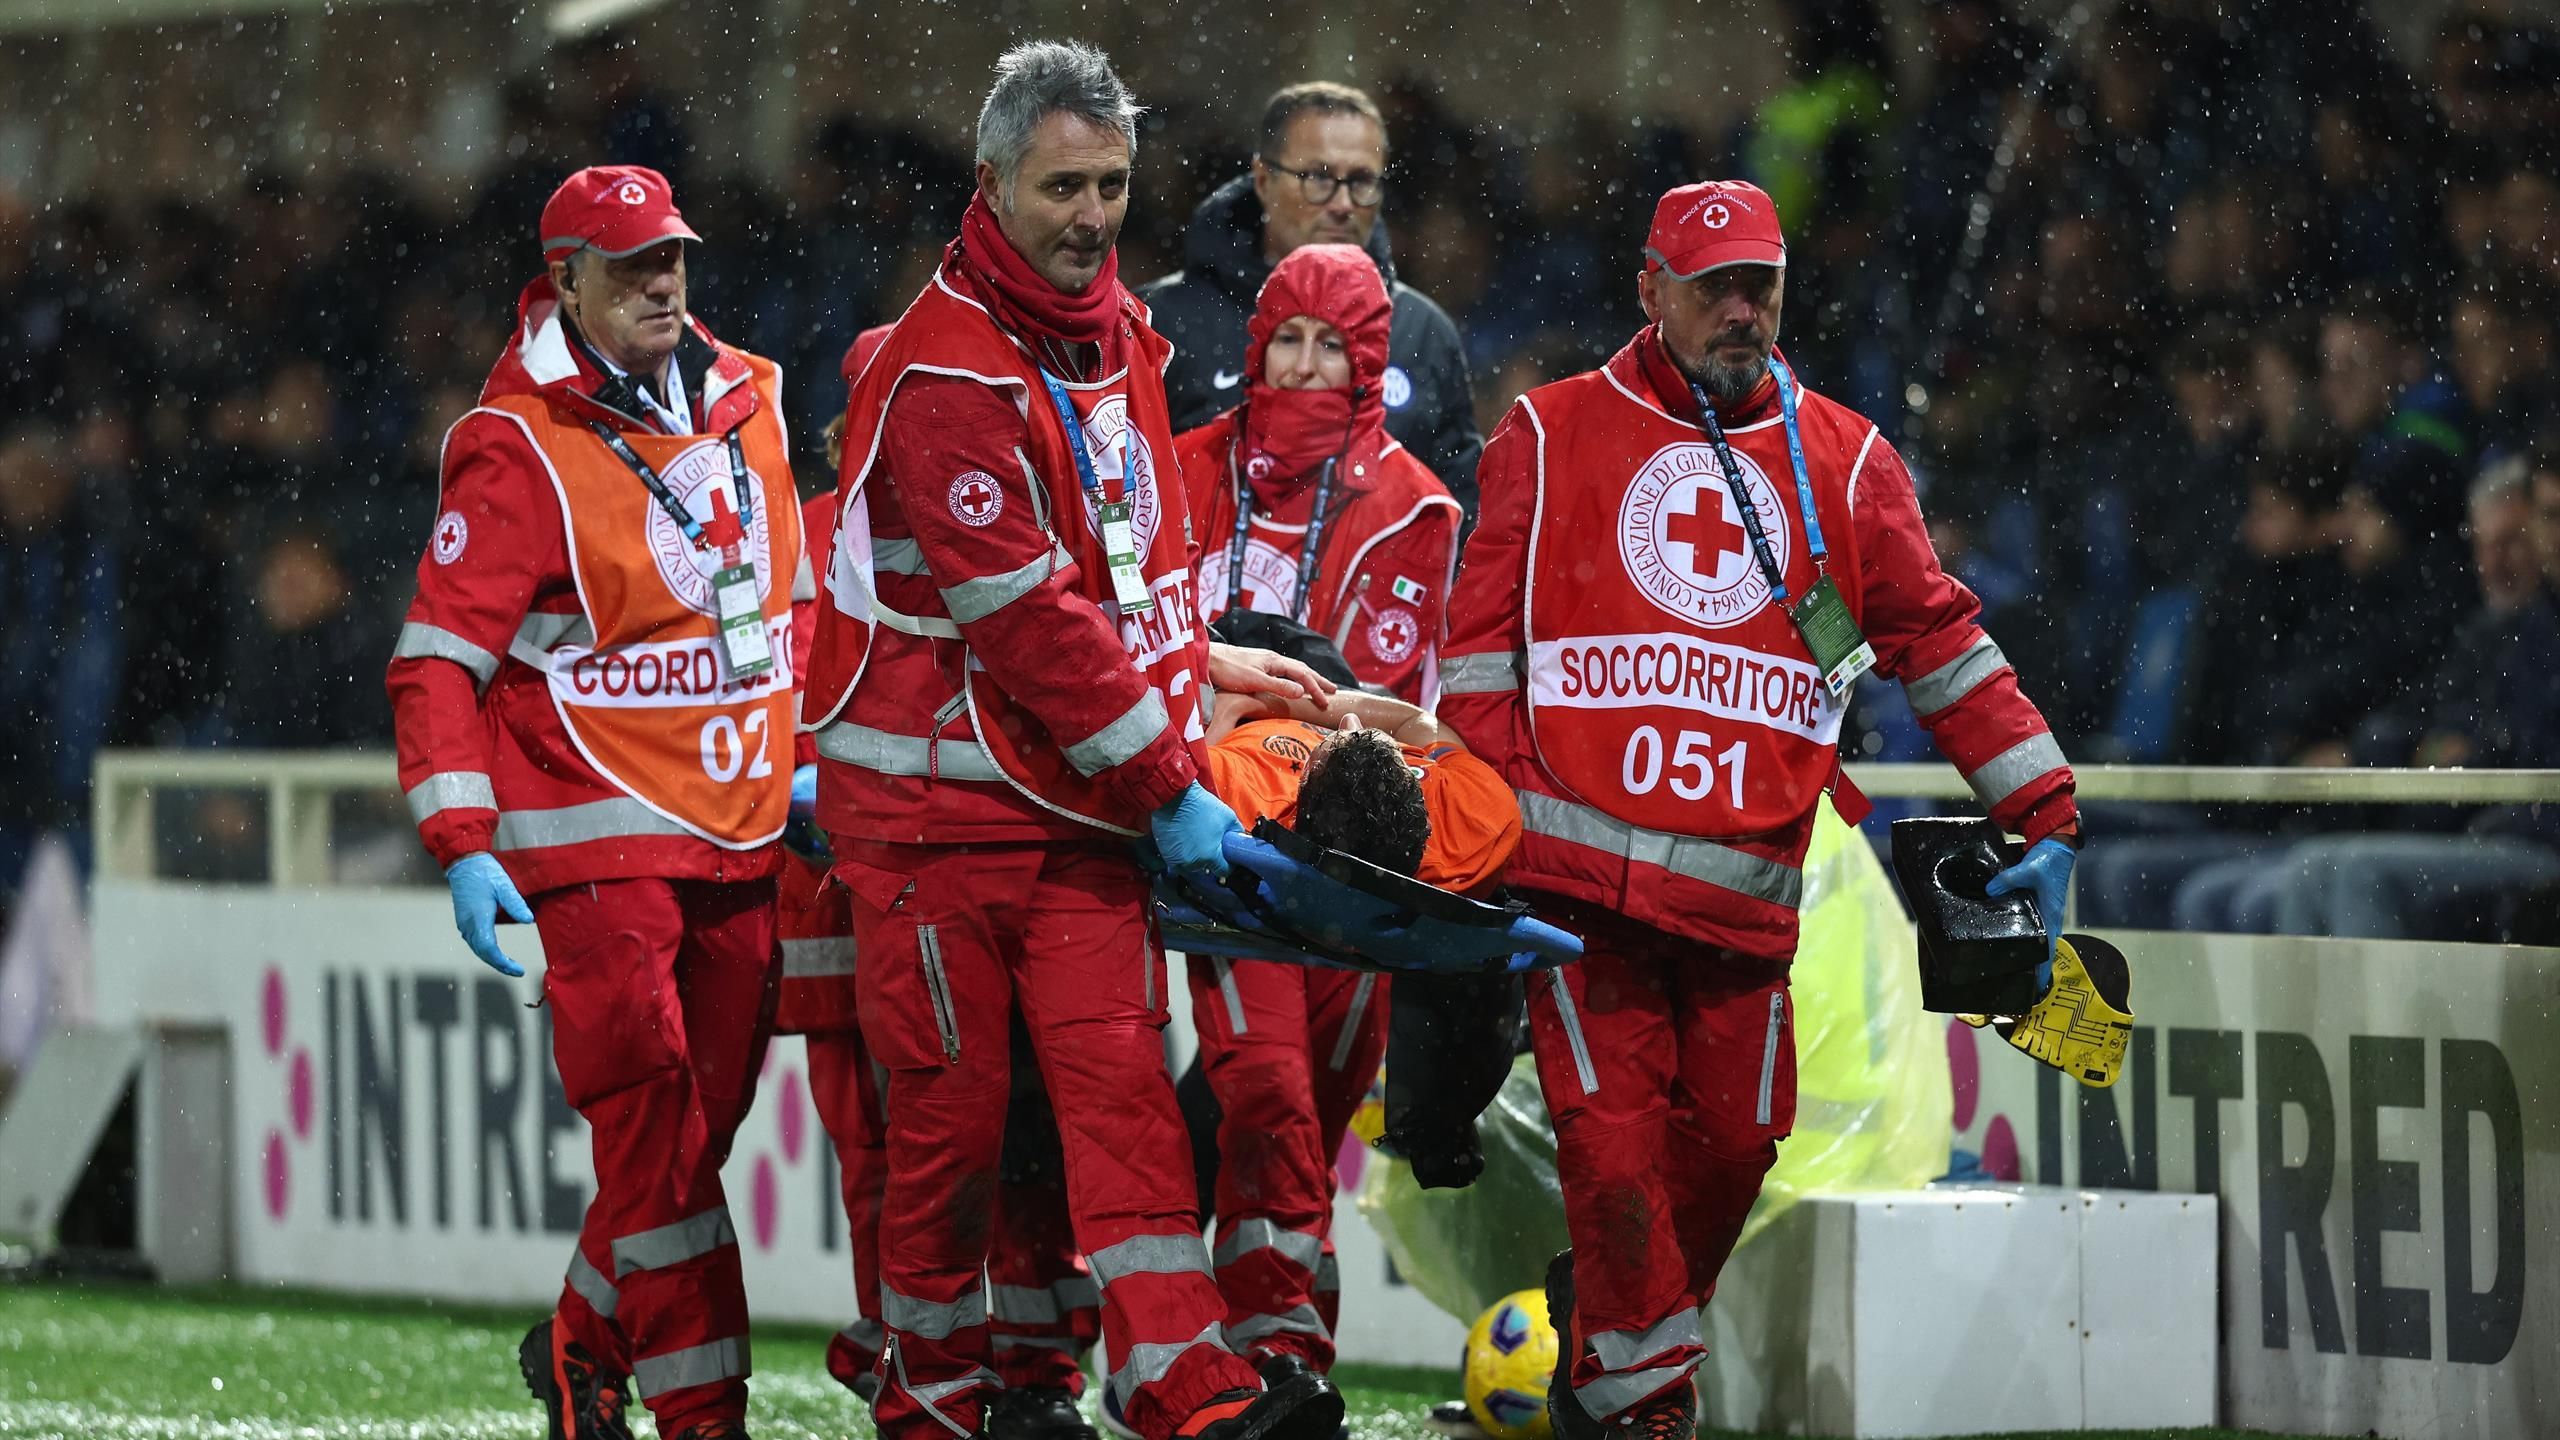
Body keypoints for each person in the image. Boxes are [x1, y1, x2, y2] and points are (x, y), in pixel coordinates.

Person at [1439, 179, 2083, 1440]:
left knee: (1736, 1148)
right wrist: (1489, 847)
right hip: (1581, 910)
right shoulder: (1549, 435)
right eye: (1712, 288)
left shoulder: (1845, 460)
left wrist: (2045, 807)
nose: (1741, 312)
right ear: (1649, 290)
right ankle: (1640, 1410)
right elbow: (1475, 666)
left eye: (1761, 287)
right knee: (1611, 1160)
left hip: (1742, 906)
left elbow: (1937, 643)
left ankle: (1613, 1343)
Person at [794, 41, 1345, 1440]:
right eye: (1062, 187)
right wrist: (1172, 783)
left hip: (1072, 812)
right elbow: (1028, 619)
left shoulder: (1120, 345)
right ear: (990, 184)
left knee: (1124, 1114)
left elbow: (1122, 583)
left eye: (1110, 184)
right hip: (938, 826)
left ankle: (1182, 1384)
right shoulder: (940, 377)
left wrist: (1215, 661)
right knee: (951, 1130)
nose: (1093, 215)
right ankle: (935, 1402)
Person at [387, 163, 805, 1440]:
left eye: (672, 256)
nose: (662, 282)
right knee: (660, 1138)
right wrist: (462, 838)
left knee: (697, 1131)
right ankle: (702, 1420)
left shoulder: (754, 401)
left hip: (740, 825)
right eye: (630, 266)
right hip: (596, 837)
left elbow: (788, 596)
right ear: (565, 279)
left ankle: (580, 1340)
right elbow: (434, 664)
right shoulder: (518, 447)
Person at [1141, 82, 1482, 515]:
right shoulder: (1159, 322)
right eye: (1318, 177)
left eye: (1361, 181)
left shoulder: (1422, 331)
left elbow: (1459, 510)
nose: (1342, 203)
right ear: (1263, 180)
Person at [1178, 242, 1462, 705]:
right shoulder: (1177, 465)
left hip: (1319, 764)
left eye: (1329, 344)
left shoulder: (1413, 511)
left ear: (1364, 364)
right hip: (1180, 745)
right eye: (1288, 338)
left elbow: (1375, 709)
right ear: (1260, 349)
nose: (1303, 367)